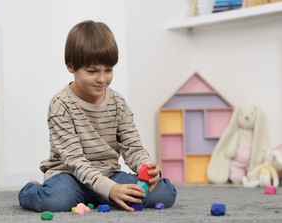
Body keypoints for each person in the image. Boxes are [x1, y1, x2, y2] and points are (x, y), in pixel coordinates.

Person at [18, 20, 177, 212]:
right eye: (92, 71)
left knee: (165, 192)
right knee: (55, 201)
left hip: (110, 175)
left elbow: (133, 147)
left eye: (108, 70)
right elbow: (75, 161)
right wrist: (110, 190)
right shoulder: (60, 104)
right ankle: (30, 190)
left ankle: (105, 196)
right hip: (70, 177)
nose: (102, 79)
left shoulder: (118, 102)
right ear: (71, 66)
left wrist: (148, 169)